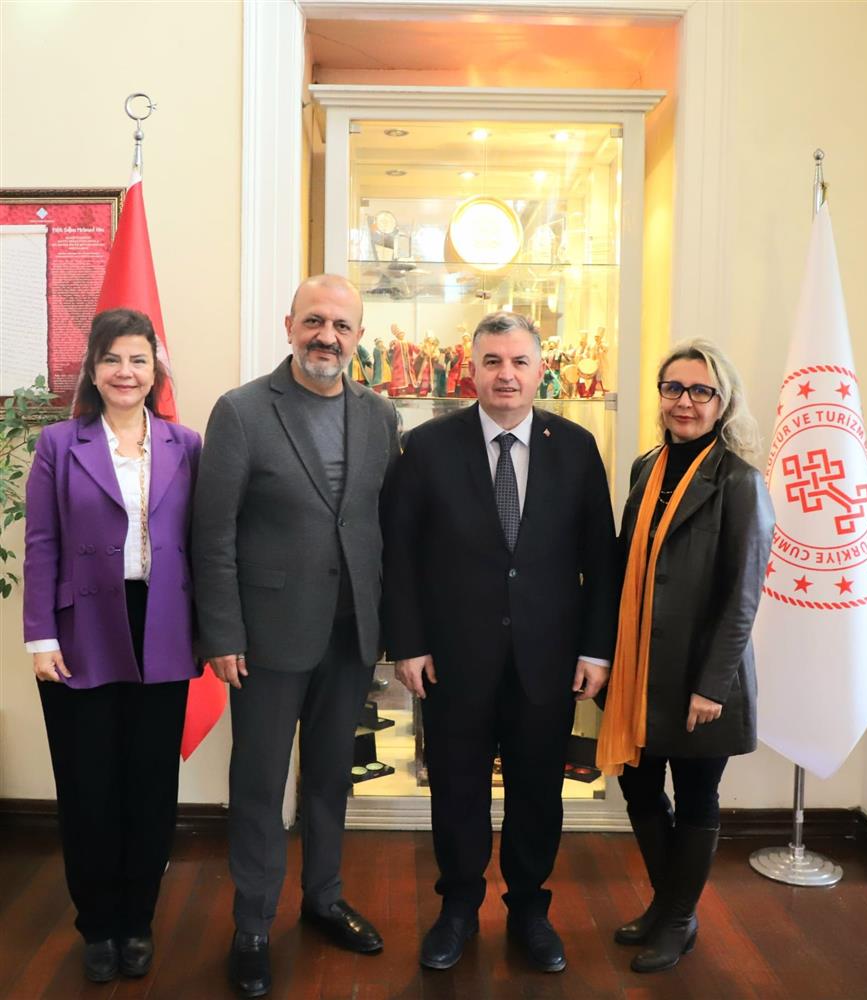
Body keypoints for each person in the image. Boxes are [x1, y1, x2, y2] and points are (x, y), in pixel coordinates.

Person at [383, 311, 619, 973]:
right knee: (457, 789)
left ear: (540, 370)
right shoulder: (427, 446)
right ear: (472, 369)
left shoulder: (575, 447)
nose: (506, 375)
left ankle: (529, 910)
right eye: (492, 361)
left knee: (537, 791)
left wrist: (595, 650)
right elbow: (400, 556)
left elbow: (601, 562)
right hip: (453, 659)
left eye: (519, 362)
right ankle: (458, 908)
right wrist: (408, 643)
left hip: (549, 659)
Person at [192, 274, 399, 999]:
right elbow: (212, 532)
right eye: (314, 321)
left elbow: (381, 525)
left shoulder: (379, 415)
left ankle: (323, 899)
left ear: (358, 337)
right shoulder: (242, 411)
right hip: (266, 639)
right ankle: (252, 927)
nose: (327, 337)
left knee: (331, 777)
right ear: (289, 326)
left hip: (351, 635)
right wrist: (222, 631)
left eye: (341, 326)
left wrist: (390, 626)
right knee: (259, 784)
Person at [23, 308, 202, 983]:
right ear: (93, 371)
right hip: (80, 632)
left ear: (156, 370)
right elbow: (41, 544)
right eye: (112, 359)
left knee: (150, 784)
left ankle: (137, 921)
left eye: (138, 360)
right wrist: (40, 636)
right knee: (87, 785)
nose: (126, 372)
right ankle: (97, 924)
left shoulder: (188, 445)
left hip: (164, 627)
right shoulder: (57, 444)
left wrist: (210, 633)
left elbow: (204, 545)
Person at [596, 338, 774, 974]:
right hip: (639, 668)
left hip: (700, 676)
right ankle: (670, 905)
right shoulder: (646, 467)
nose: (685, 402)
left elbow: (743, 596)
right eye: (673, 388)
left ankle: (675, 919)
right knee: (641, 788)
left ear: (724, 402)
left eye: (701, 390)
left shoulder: (741, 482)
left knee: (697, 795)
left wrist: (712, 685)